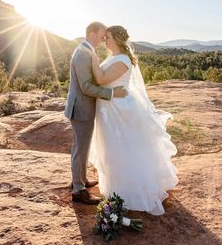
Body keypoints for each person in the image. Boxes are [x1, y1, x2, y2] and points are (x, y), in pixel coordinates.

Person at [88, 25, 178, 215]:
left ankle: (130, 191)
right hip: (108, 108)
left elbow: (102, 79)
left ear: (118, 39)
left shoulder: (123, 60)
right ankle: (115, 186)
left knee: (121, 147)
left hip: (118, 111)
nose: (105, 41)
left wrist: (91, 57)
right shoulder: (113, 57)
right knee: (111, 148)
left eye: (108, 37)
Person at [64, 22, 127, 205]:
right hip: (82, 108)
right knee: (80, 149)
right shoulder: (84, 54)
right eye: (101, 35)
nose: (103, 39)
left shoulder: (85, 50)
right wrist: (112, 93)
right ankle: (78, 190)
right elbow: (86, 87)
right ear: (92, 34)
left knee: (80, 148)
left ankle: (80, 181)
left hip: (81, 107)